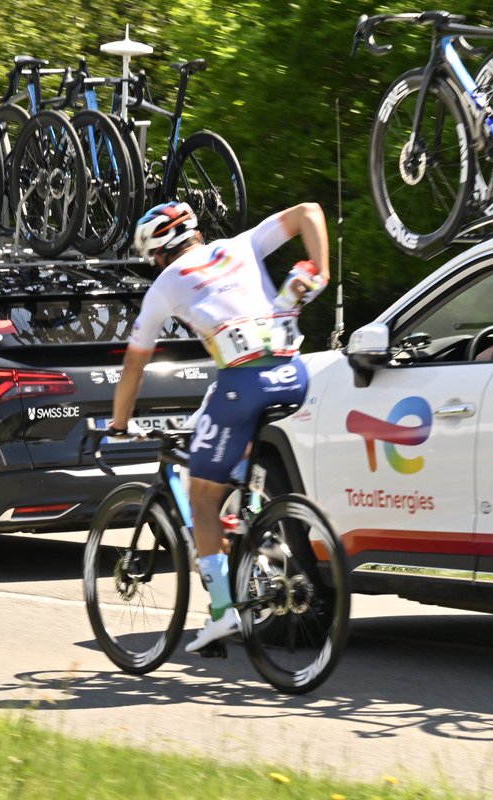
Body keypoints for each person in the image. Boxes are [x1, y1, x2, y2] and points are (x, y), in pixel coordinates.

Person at [109, 200, 329, 653]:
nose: (155, 265)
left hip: (243, 384)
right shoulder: (242, 244)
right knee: (224, 440)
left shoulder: (168, 283)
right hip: (293, 375)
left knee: (201, 495)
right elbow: (309, 211)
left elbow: (134, 364)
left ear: (160, 252)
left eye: (153, 258)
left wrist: (119, 422)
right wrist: (321, 273)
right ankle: (246, 523)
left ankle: (222, 611)